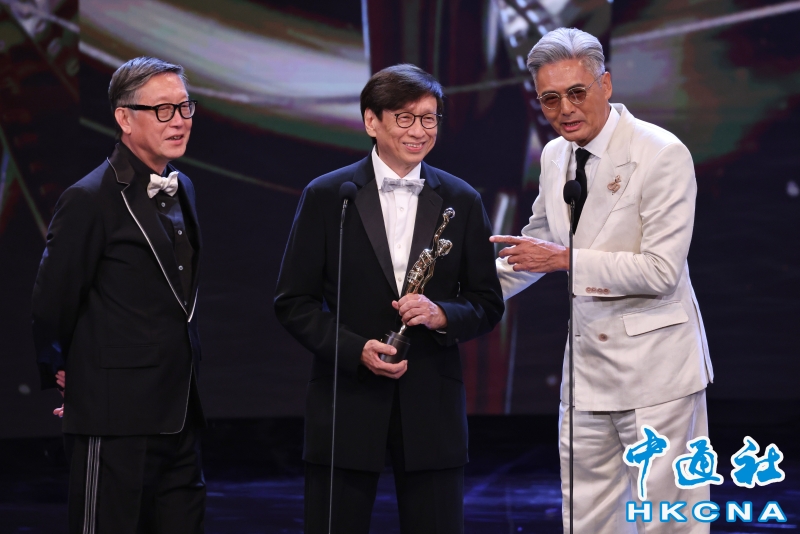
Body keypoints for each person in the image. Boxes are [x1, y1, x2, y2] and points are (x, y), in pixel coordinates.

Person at [491, 28, 714, 533]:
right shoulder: (555, 156)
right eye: (550, 99)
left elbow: (661, 270)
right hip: (586, 374)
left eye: (577, 92)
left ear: (606, 84)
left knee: (669, 521)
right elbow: (535, 249)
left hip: (657, 374)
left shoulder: (661, 152)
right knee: (587, 521)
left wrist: (567, 260)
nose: (565, 109)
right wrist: (453, 301)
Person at [274, 64, 504, 534]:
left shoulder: (462, 199)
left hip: (431, 405)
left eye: (429, 118)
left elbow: (487, 301)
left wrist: (442, 315)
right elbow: (293, 301)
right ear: (371, 121)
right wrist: (354, 348)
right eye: (405, 118)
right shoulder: (328, 195)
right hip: (346, 402)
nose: (419, 131)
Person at [31, 56, 205, 534]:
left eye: (185, 107)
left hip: (180, 409)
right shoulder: (89, 198)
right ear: (124, 118)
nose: (179, 121)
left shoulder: (184, 187)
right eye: (163, 110)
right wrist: (66, 373)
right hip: (113, 415)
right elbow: (51, 301)